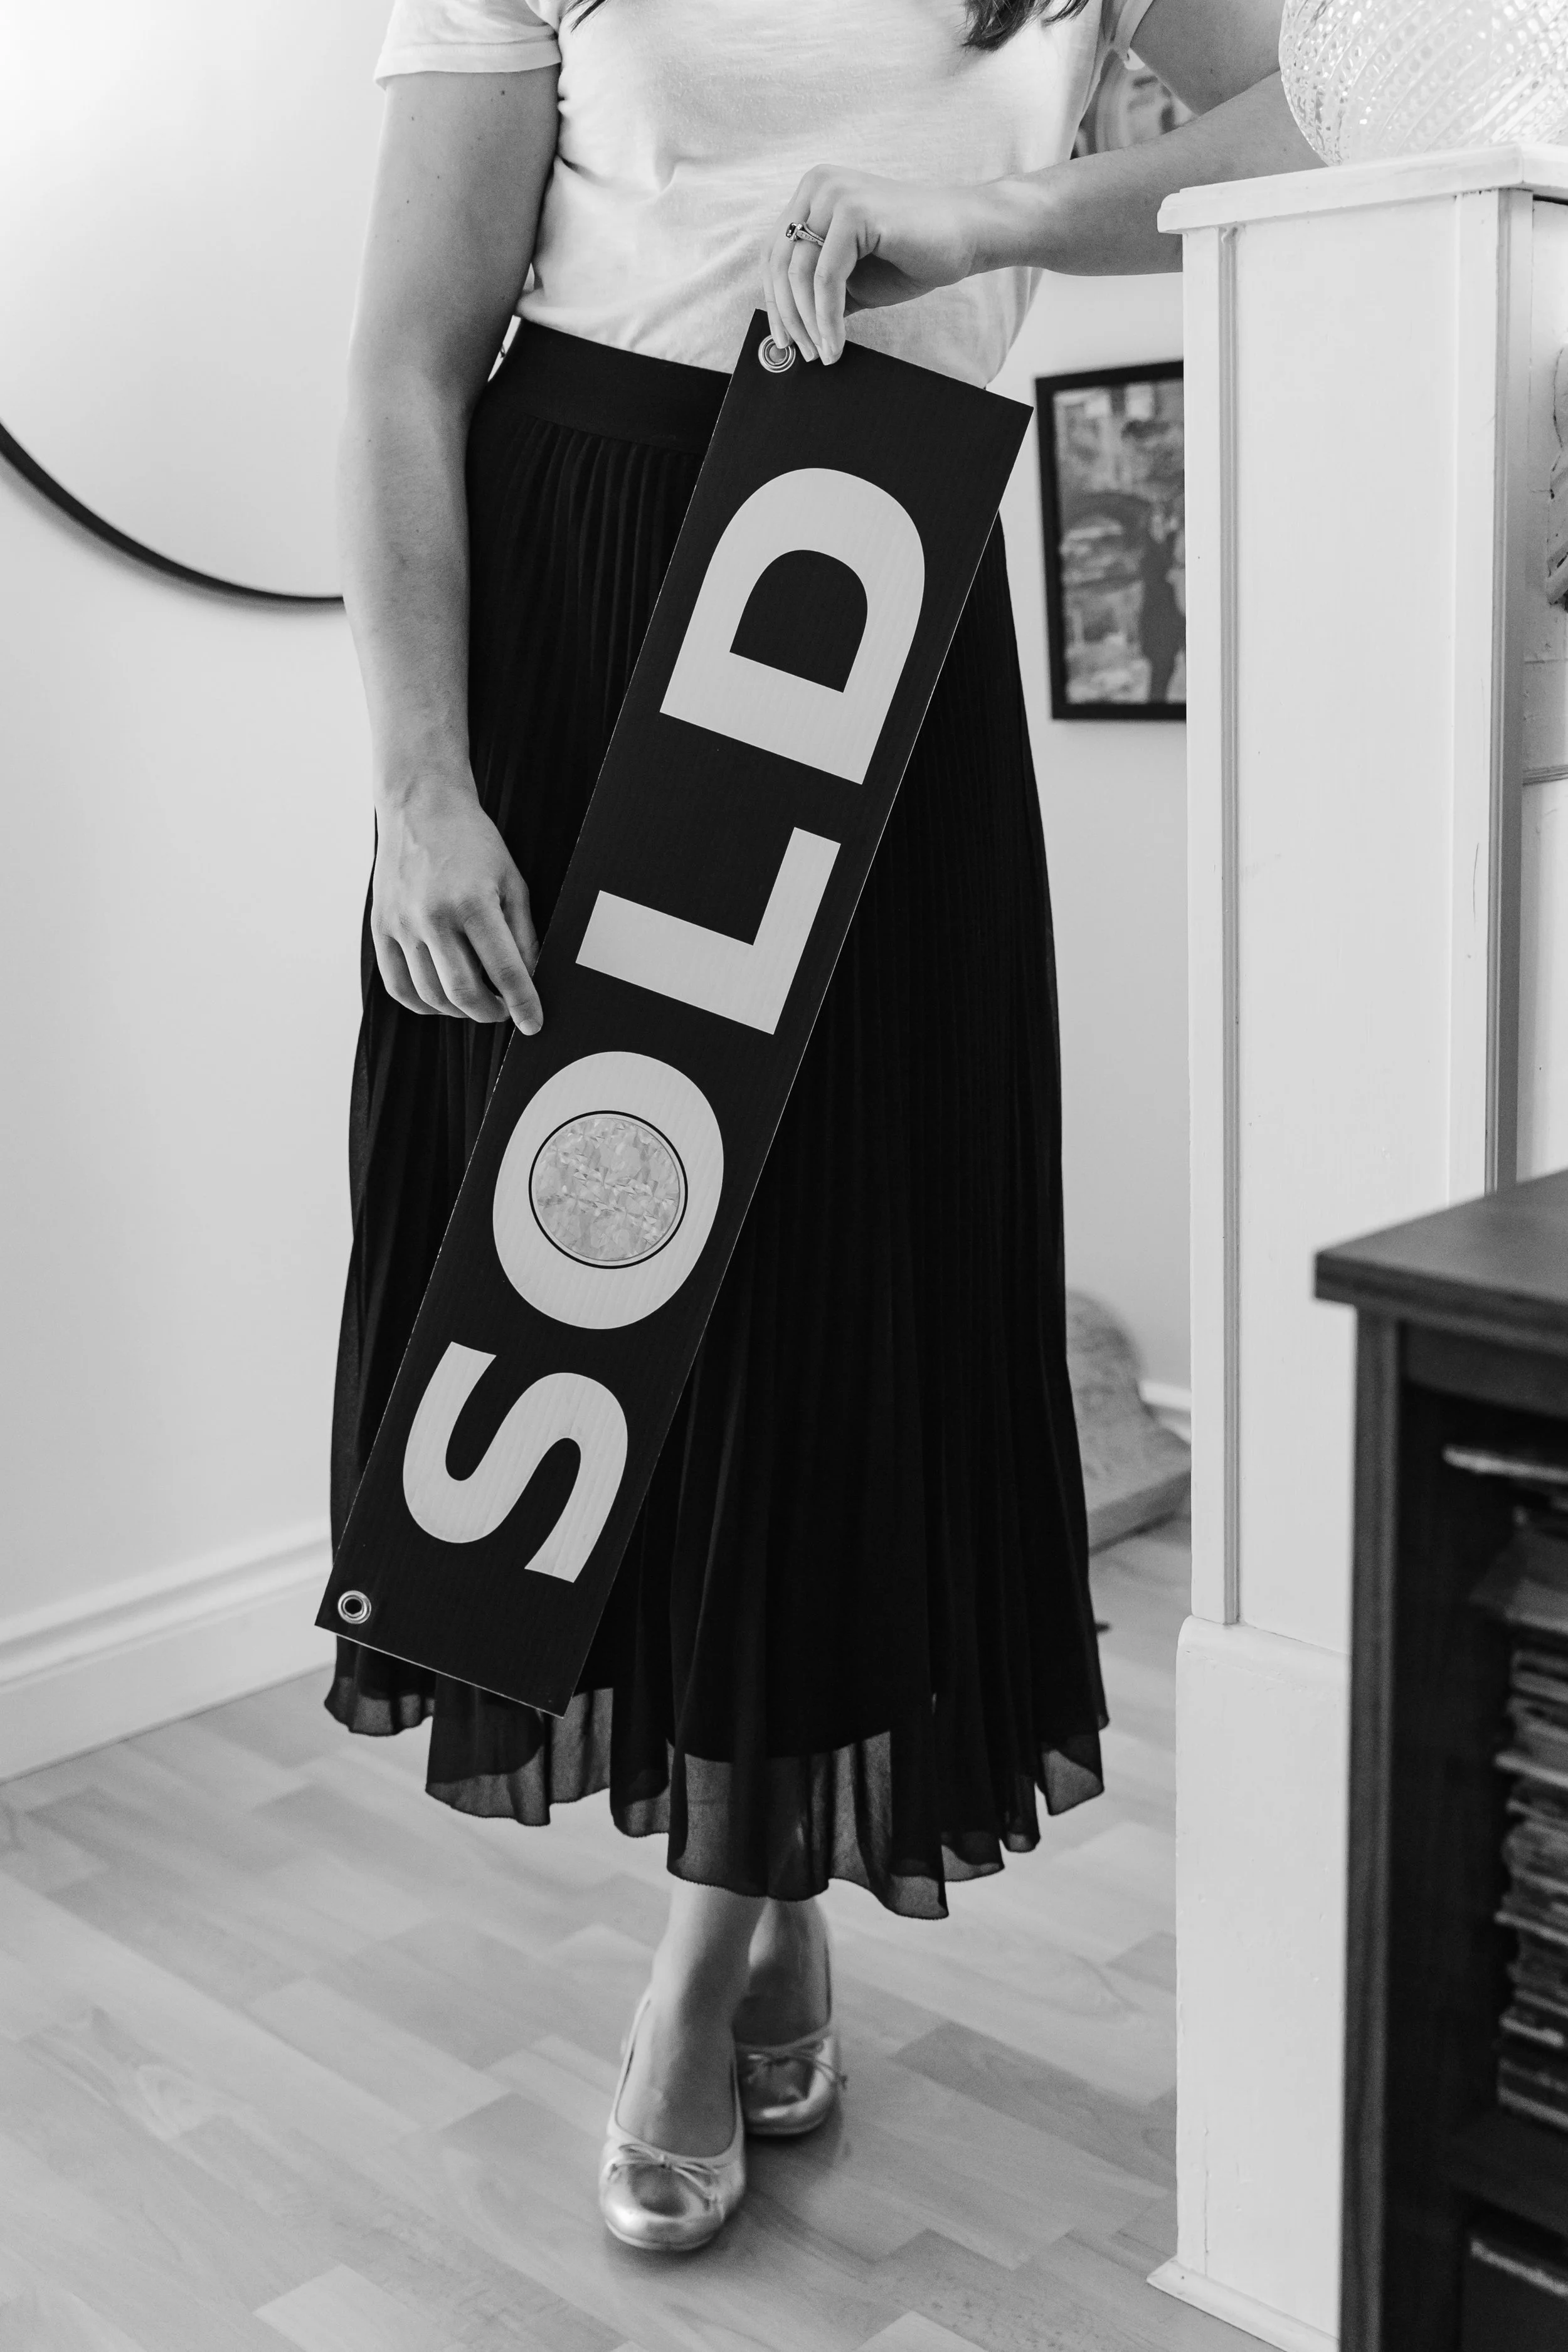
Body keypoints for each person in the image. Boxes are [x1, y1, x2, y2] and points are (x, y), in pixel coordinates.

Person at [329, 0, 1313, 2254]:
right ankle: (762, 1897)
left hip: (875, 578)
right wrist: (418, 783)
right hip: (581, 594)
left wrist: (984, 215)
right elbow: (403, 358)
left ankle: (703, 1953)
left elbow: (1329, 116)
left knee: (834, 1289)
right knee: (597, 1291)